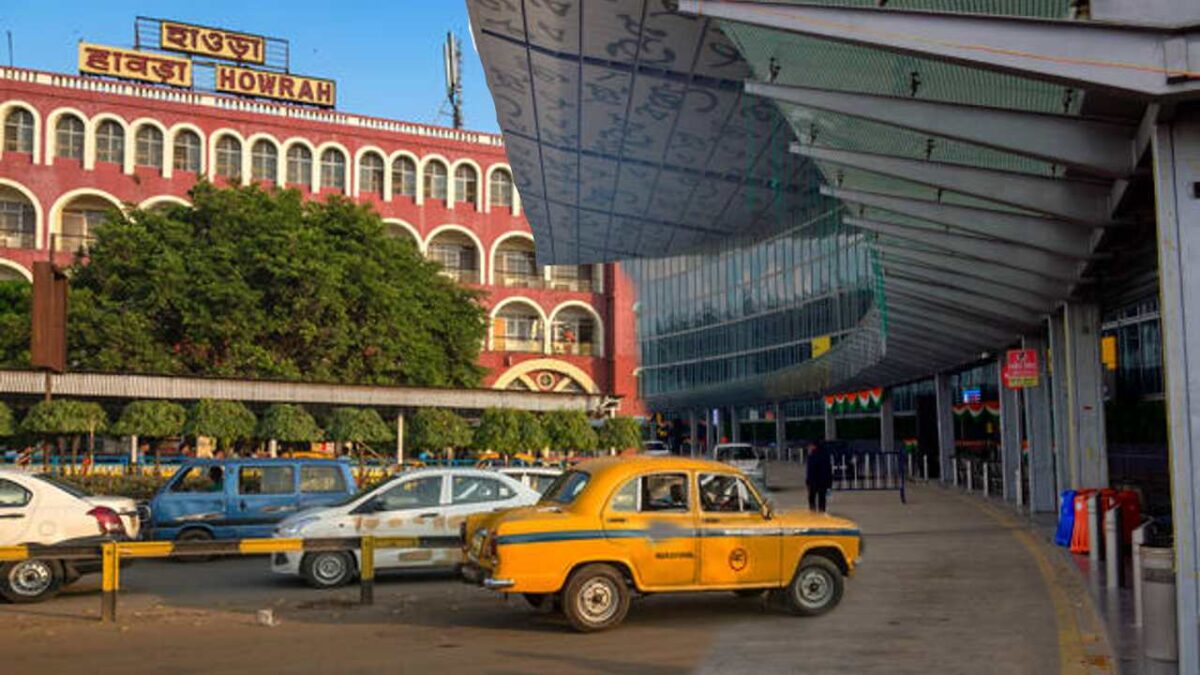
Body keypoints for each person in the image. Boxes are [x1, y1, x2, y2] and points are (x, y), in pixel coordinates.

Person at [805, 442, 833, 512]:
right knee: (822, 498)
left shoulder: (811, 456)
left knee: (812, 498)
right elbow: (829, 470)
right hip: (823, 481)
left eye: (810, 446)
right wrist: (829, 483)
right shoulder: (825, 455)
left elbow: (810, 470)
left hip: (814, 481)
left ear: (814, 446)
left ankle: (813, 511)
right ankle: (821, 512)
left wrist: (808, 481)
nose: (809, 448)